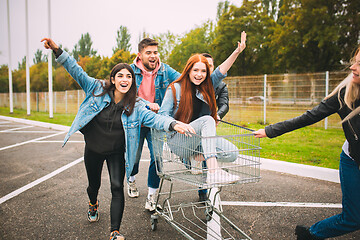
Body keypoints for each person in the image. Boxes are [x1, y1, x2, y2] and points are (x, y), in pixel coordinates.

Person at [41, 38, 193, 240]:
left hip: (116, 152)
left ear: (132, 81)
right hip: (94, 150)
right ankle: (93, 203)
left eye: (128, 76)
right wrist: (58, 50)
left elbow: (154, 119)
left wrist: (173, 124)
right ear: (113, 79)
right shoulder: (95, 88)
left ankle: (115, 231)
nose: (125, 79)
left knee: (116, 187)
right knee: (93, 186)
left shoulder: (136, 105)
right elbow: (75, 70)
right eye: (120, 75)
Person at [253, 46, 360, 239]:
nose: (353, 67)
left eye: (359, 64)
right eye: (354, 61)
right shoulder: (344, 93)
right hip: (352, 160)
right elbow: (309, 117)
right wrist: (270, 130)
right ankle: (311, 234)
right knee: (352, 219)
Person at [158, 32, 247, 187]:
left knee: (232, 153)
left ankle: (197, 158)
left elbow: (221, 71)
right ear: (188, 71)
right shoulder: (175, 89)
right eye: (195, 70)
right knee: (207, 120)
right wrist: (176, 125)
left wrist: (237, 52)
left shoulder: (207, 86)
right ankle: (213, 172)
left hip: (198, 141)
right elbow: (162, 116)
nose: (199, 74)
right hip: (180, 141)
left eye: (203, 71)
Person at [128, 38, 181, 212]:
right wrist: (145, 103)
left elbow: (183, 80)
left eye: (155, 52)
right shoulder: (130, 71)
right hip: (135, 121)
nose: (153, 56)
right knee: (133, 158)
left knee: (157, 158)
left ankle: (151, 196)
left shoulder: (165, 70)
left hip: (156, 122)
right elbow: (126, 93)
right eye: (148, 52)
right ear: (140, 55)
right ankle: (131, 179)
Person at [197, 53, 230, 202]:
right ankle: (202, 186)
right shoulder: (195, 83)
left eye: (210, 65)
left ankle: (206, 187)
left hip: (211, 123)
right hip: (195, 125)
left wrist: (218, 115)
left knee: (208, 153)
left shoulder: (221, 85)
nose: (208, 68)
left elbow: (224, 104)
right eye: (205, 65)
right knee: (197, 151)